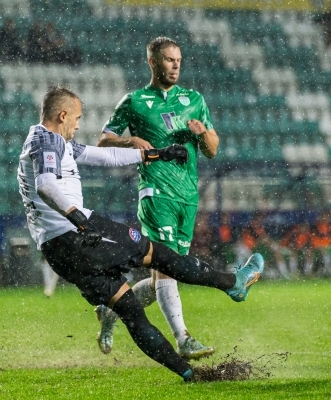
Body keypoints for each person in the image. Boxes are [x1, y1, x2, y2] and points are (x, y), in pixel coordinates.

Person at [18, 85, 264, 381]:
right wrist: (79, 219)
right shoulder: (47, 140)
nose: (79, 124)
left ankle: (190, 374)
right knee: (159, 255)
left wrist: (155, 154)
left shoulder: (54, 143)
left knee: (131, 312)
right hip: (76, 232)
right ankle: (233, 283)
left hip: (57, 250)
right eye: (78, 118)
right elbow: (45, 185)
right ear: (63, 115)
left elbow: (105, 157)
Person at [96, 36, 220, 359]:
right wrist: (129, 141)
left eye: (178, 59)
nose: (176, 65)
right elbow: (103, 140)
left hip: (187, 197)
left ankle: (111, 312)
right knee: (165, 270)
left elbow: (212, 149)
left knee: (163, 277)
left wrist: (202, 134)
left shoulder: (194, 100)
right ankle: (183, 339)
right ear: (152, 62)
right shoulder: (135, 101)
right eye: (169, 59)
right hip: (156, 194)